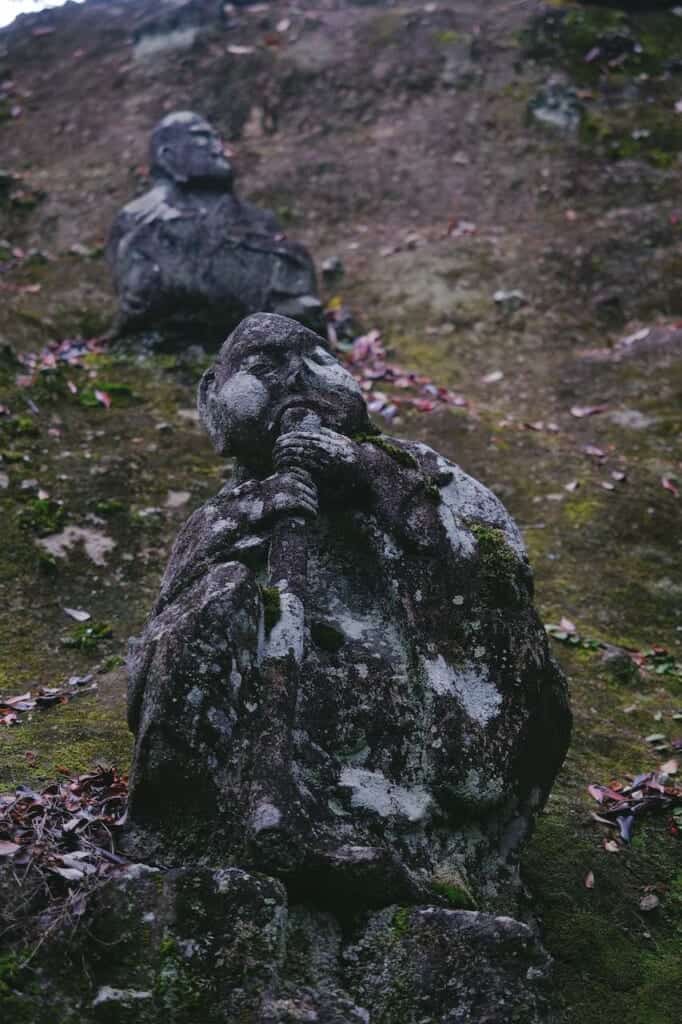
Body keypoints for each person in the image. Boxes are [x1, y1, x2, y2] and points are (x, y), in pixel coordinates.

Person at [127, 313, 570, 906]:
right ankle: (248, 807)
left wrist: (375, 481)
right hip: (283, 743)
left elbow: (499, 584)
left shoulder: (422, 473)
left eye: (318, 359)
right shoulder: (227, 511)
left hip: (418, 739)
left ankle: (420, 849)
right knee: (212, 601)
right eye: (263, 366)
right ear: (213, 399)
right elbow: (168, 639)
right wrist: (255, 512)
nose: (298, 379)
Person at [107, 112, 323, 346]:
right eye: (202, 138)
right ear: (168, 155)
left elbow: (297, 298)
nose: (218, 148)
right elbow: (139, 299)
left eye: (217, 139)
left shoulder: (260, 221)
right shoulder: (140, 220)